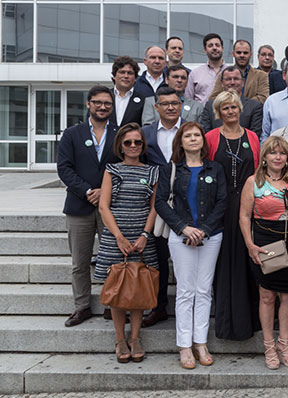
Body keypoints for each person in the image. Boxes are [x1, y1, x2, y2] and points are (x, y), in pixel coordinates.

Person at [154, 122, 227, 369]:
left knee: (204, 290)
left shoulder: (215, 168)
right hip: (180, 235)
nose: (193, 139)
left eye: (197, 135)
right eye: (188, 135)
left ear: (203, 141)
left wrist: (204, 230)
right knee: (186, 291)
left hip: (211, 236)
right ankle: (184, 346)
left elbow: (222, 202)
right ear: (180, 141)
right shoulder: (171, 168)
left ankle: (200, 342)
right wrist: (184, 228)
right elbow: (161, 203)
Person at [94, 122, 159, 363]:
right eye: (128, 142)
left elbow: (154, 207)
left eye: (137, 142)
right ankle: (120, 339)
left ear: (143, 145)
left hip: (142, 238)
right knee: (118, 289)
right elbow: (104, 206)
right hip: (115, 238)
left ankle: (136, 337)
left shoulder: (152, 172)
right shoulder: (112, 170)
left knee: (139, 286)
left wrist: (144, 235)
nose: (133, 146)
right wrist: (119, 237)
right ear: (120, 146)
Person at [57, 85, 119, 327]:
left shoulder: (119, 133)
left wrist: (106, 191)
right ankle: (81, 307)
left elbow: (127, 164)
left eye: (107, 103)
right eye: (98, 102)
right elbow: (64, 168)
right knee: (80, 262)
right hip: (79, 206)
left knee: (112, 260)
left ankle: (109, 305)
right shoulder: (72, 134)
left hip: (110, 207)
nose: (102, 107)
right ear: (88, 104)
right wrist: (87, 191)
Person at [238, 136, 288, 370]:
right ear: (264, 157)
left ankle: (284, 344)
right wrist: (250, 244)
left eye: (282, 153)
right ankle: (269, 345)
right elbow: (244, 216)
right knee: (267, 295)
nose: (277, 157)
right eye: (273, 153)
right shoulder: (253, 182)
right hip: (264, 243)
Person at [205, 90, 262, 341]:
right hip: (221, 207)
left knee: (248, 263)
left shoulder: (252, 137)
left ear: (240, 109)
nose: (230, 111)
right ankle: (227, 322)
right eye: (225, 108)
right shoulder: (210, 137)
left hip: (249, 206)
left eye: (234, 107)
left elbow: (259, 170)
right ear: (218, 112)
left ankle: (250, 320)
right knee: (223, 264)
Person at [141, 86, 184, 328]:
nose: (170, 107)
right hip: (156, 205)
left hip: (186, 204)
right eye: (165, 103)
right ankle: (159, 306)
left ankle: (187, 305)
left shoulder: (191, 131)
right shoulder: (145, 134)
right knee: (158, 257)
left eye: (174, 103)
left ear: (181, 105)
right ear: (156, 107)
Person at [201, 66, 263, 135]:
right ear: (222, 83)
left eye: (236, 79)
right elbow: (206, 133)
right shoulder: (210, 105)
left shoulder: (255, 106)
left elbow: (255, 134)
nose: (232, 82)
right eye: (228, 79)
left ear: (243, 82)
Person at [185, 33, 227, 104]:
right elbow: (188, 101)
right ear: (205, 50)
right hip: (201, 114)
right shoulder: (195, 73)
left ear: (222, 48)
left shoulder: (231, 72)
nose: (214, 48)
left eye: (217, 45)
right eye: (210, 46)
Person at [110, 56, 145, 128]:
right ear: (114, 76)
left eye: (130, 73)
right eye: (122, 72)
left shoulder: (143, 100)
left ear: (135, 78)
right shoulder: (104, 96)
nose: (126, 76)